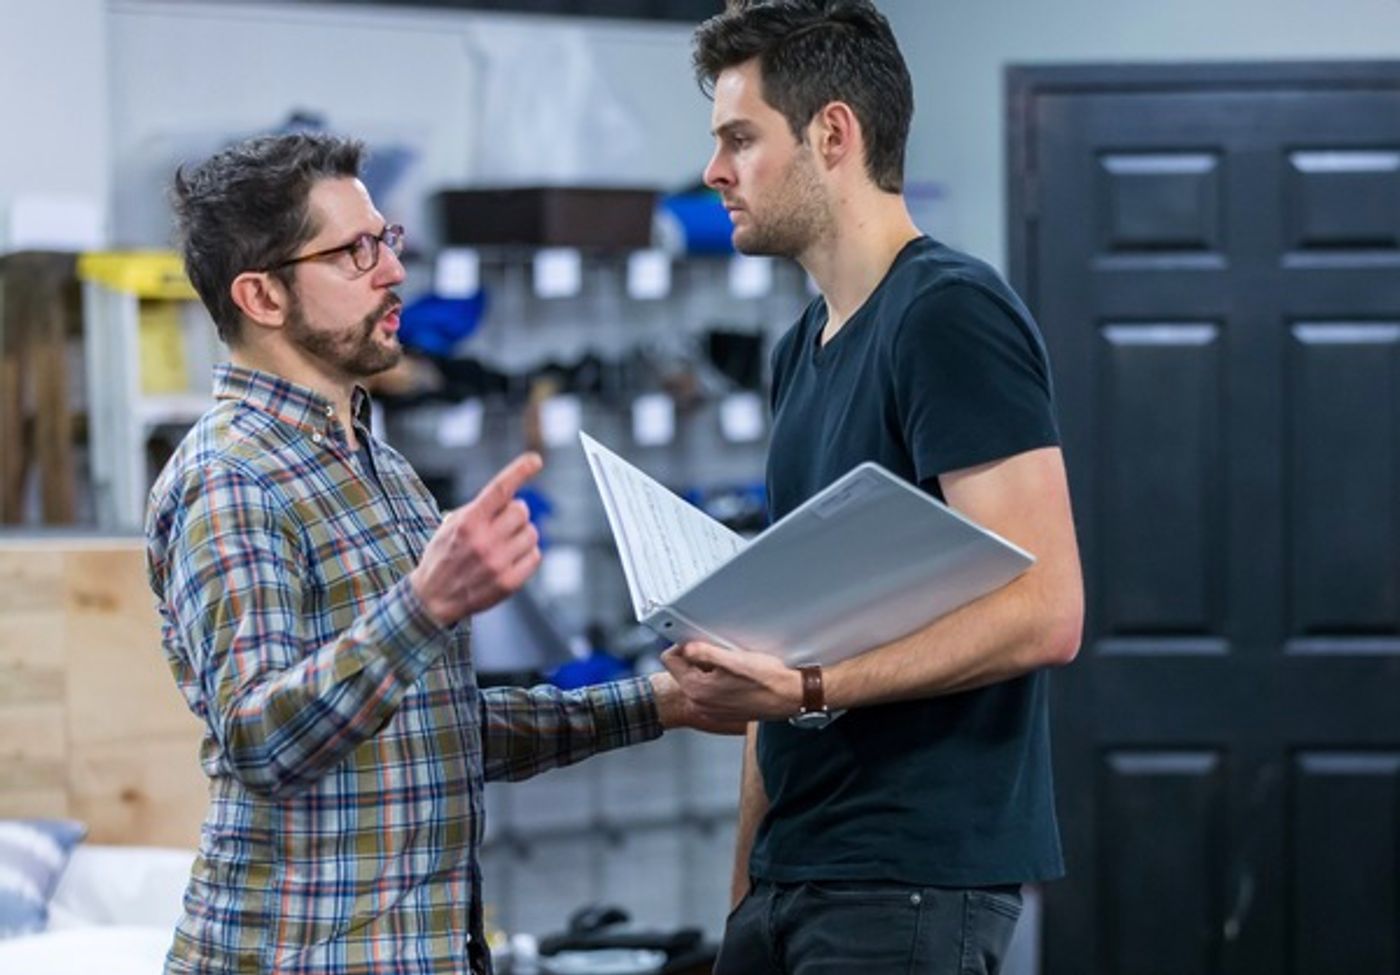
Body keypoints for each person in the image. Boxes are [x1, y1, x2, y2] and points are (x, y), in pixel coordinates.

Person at [146, 132, 723, 975]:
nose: (392, 271)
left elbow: (431, 734)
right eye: (353, 252)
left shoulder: (379, 467)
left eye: (386, 240)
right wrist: (425, 604)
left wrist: (661, 702)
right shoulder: (232, 477)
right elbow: (263, 739)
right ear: (261, 295)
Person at [660, 2, 1085, 973]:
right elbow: (779, 638)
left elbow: (1048, 611)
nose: (713, 171)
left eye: (739, 139)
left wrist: (809, 688)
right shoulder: (795, 352)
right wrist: (745, 890)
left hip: (908, 879)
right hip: (794, 873)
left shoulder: (948, 313)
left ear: (832, 134)